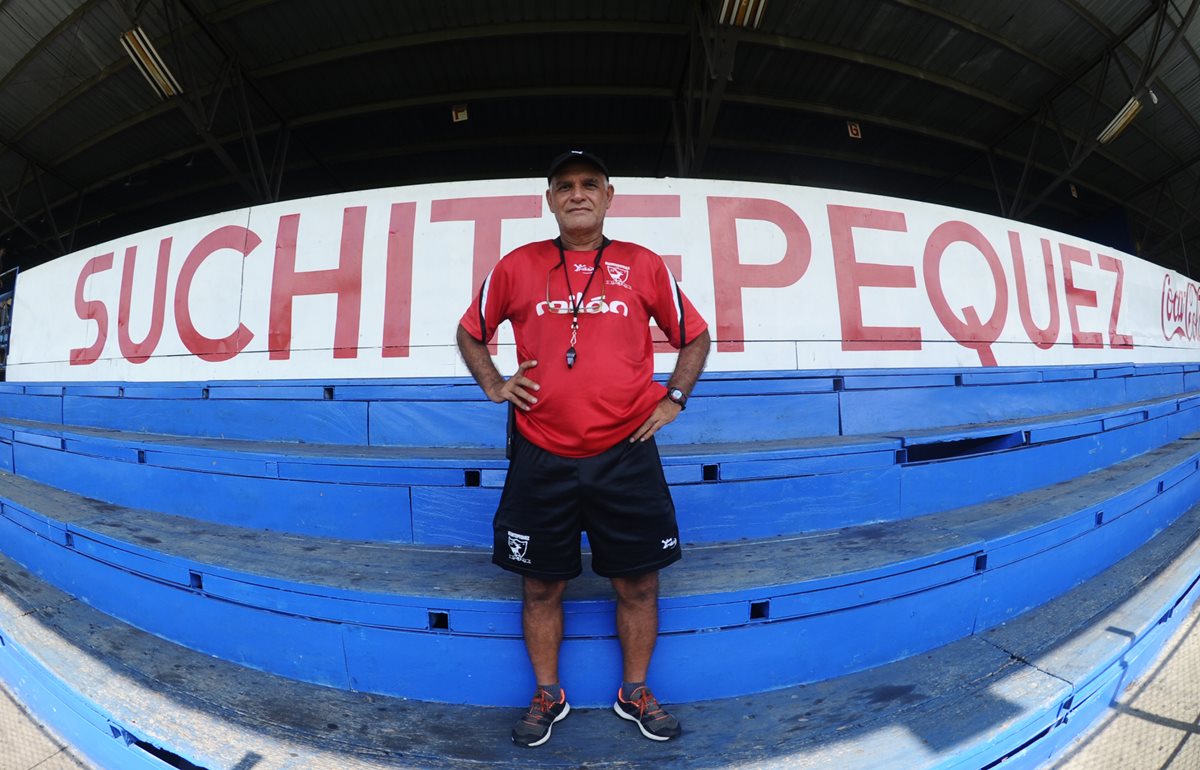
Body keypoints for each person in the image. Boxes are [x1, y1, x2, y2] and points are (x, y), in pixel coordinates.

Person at [455, 150, 711, 747]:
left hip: (626, 452)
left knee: (638, 584)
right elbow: (470, 332)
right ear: (549, 199)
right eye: (564, 185)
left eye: (589, 184)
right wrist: (494, 383)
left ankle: (635, 692)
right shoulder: (517, 265)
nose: (577, 193)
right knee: (540, 586)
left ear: (608, 195)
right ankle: (549, 694)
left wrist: (674, 397)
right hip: (540, 453)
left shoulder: (642, 264)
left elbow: (695, 337)